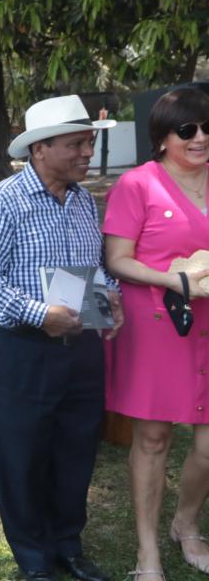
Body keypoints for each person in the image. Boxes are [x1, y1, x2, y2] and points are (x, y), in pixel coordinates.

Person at [0, 94, 123, 581]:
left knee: (76, 449)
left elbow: (96, 269)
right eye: (76, 144)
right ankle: (34, 561)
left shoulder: (83, 201)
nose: (87, 153)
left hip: (81, 350)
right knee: (22, 457)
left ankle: (68, 547)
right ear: (39, 149)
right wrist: (40, 314)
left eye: (88, 143)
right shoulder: (3, 201)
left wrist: (112, 297)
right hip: (24, 352)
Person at [102, 86, 209, 581]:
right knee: (154, 437)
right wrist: (172, 279)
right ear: (163, 137)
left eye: (207, 127)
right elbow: (117, 260)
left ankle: (185, 523)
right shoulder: (138, 185)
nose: (200, 137)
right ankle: (148, 553)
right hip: (159, 322)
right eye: (187, 130)